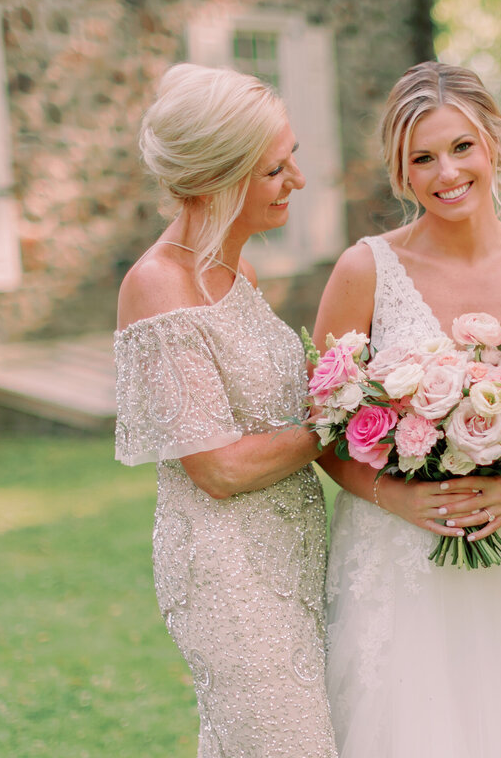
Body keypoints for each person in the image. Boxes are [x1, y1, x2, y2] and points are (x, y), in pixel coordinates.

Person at [314, 61, 501, 758]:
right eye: (423, 158)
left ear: (493, 146)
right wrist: (398, 500)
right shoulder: (366, 270)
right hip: (396, 559)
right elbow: (322, 433)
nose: (446, 172)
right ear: (401, 171)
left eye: (461, 148)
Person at [113, 63, 337, 757]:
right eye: (275, 169)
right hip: (229, 576)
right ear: (220, 176)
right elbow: (216, 465)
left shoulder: (238, 271)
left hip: (294, 555)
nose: (296, 179)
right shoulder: (158, 285)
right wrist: (343, 419)